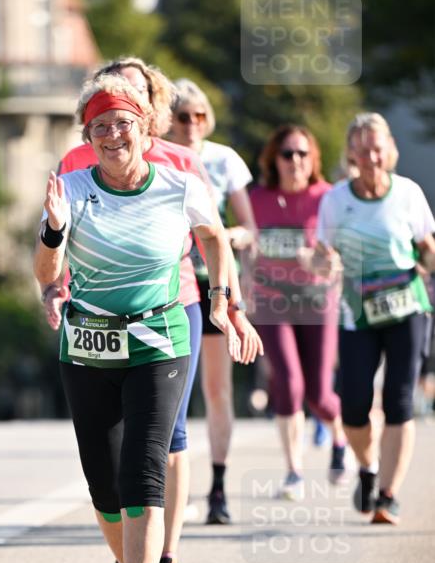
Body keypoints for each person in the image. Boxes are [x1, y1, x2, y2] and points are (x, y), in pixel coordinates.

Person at [34, 73, 249, 563]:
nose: (111, 135)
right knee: (104, 486)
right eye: (99, 126)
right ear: (89, 134)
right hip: (88, 346)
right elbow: (47, 273)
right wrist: (53, 231)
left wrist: (226, 307)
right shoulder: (71, 189)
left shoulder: (179, 185)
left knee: (143, 471)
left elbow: (215, 242)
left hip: (159, 339)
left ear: (146, 128)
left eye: (122, 123)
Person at [314, 113, 435, 524]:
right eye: (363, 149)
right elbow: (321, 253)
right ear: (351, 153)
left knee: (401, 400)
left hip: (407, 309)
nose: (371, 157)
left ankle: (387, 494)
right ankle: (367, 466)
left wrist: (427, 266)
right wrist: (323, 261)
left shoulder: (408, 193)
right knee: (354, 408)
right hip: (358, 314)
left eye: (378, 148)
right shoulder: (335, 200)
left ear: (392, 151)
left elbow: (425, 245)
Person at [168, 79, 257, 523]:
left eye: (199, 116)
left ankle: (218, 487)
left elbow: (248, 228)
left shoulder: (223, 160)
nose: (191, 125)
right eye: (182, 116)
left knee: (217, 390)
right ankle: (170, 489)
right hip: (173, 285)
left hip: (216, 282)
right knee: (173, 394)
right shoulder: (160, 158)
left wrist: (226, 238)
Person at [249, 124, 347, 500]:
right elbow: (246, 247)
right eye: (288, 154)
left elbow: (338, 262)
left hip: (317, 300)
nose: (295, 161)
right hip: (272, 301)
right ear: (274, 159)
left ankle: (340, 437)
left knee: (320, 395)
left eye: (303, 154)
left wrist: (322, 263)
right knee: (288, 384)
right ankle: (294, 471)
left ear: (314, 159)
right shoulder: (257, 199)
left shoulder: (327, 197)